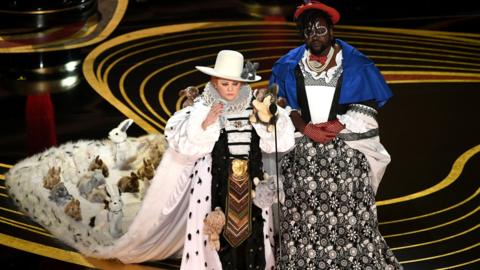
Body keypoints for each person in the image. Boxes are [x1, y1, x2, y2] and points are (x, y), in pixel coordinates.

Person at [269, 1, 402, 269]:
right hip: (303, 144)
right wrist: (304, 127)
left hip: (345, 144)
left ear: (331, 30)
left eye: (320, 29)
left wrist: (338, 125)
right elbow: (280, 104)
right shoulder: (289, 64)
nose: (314, 36)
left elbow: (367, 106)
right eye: (308, 31)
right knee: (299, 195)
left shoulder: (356, 63)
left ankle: (351, 259)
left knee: (349, 189)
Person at [164, 50, 295, 269]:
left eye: (235, 84)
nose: (231, 90)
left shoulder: (256, 103)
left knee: (253, 229)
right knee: (217, 230)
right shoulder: (204, 105)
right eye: (225, 84)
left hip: (251, 178)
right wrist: (207, 122)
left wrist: (266, 121)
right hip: (212, 179)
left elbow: (279, 141)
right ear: (215, 82)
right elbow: (190, 144)